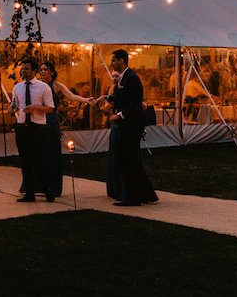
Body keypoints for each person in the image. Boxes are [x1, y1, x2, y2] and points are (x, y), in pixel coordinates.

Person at [98, 49, 158, 206]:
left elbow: (136, 104)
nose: (112, 63)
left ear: (122, 60)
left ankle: (132, 197)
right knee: (132, 161)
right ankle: (146, 194)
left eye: (114, 60)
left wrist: (119, 115)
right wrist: (108, 101)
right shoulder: (122, 79)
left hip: (131, 126)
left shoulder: (132, 78)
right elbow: (118, 98)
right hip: (125, 125)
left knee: (127, 160)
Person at [36, 62, 93, 199]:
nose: (42, 72)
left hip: (52, 122)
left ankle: (54, 186)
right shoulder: (37, 85)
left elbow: (71, 96)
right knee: (40, 154)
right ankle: (40, 186)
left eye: (45, 70)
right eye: (41, 70)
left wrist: (86, 100)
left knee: (52, 153)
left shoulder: (57, 86)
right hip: (39, 121)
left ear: (51, 72)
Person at [12, 58, 54, 202]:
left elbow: (50, 108)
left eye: (27, 68)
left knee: (39, 160)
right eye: (23, 68)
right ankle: (29, 193)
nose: (24, 71)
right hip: (22, 127)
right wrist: (12, 109)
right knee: (25, 161)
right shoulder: (17, 87)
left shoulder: (43, 87)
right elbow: (14, 105)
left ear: (34, 71)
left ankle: (47, 190)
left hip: (38, 127)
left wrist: (36, 107)